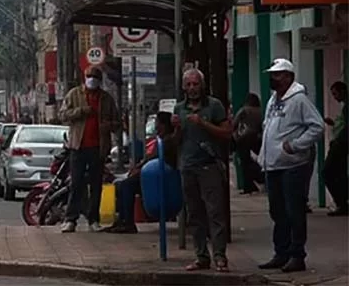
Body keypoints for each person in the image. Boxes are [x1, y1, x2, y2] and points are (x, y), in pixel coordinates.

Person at [257, 59, 325, 273]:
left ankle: (297, 255)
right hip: (274, 164)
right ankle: (281, 252)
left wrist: (296, 145)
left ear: (288, 76)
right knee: (277, 212)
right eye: (272, 74)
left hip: (293, 165)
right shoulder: (273, 100)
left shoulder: (299, 100)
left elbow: (317, 127)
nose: (273, 78)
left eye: (277, 75)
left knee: (294, 211)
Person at [172, 68, 232, 273]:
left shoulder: (214, 106)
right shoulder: (180, 108)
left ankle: (220, 256)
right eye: (188, 85)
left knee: (215, 212)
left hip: (209, 166)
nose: (192, 88)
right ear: (183, 87)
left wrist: (203, 123)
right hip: (188, 166)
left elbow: (226, 133)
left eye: (195, 84)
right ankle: (201, 256)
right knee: (194, 215)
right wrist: (177, 128)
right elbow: (176, 141)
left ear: (202, 85)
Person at [58, 67, 119, 233]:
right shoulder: (74, 94)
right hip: (78, 146)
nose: (92, 79)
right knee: (76, 183)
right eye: (89, 76)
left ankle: (94, 219)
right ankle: (71, 219)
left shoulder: (106, 99)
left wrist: (109, 126)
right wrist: (81, 111)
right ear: (84, 78)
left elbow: (118, 122)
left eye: (96, 77)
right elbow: (63, 115)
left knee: (96, 185)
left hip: (98, 148)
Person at [105, 112, 177, 234]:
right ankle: (121, 220)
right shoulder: (158, 139)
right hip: (152, 173)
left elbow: (154, 157)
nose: (155, 126)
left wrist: (139, 168)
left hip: (160, 176)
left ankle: (128, 222)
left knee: (127, 186)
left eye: (157, 123)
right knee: (121, 186)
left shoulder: (168, 140)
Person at [323, 81, 348, 216]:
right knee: (340, 174)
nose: (334, 97)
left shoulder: (347, 107)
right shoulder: (344, 107)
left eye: (335, 94)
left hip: (341, 144)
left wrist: (338, 141)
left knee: (328, 172)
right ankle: (342, 203)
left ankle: (341, 203)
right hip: (340, 143)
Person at [232, 93, 264, 194]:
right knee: (256, 161)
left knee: (245, 163)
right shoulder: (260, 111)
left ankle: (249, 185)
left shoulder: (244, 110)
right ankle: (256, 180)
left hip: (243, 139)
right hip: (256, 139)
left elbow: (235, 123)